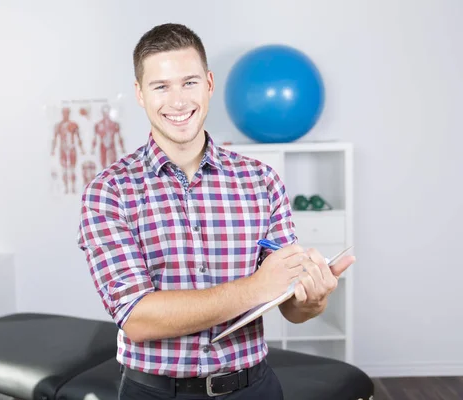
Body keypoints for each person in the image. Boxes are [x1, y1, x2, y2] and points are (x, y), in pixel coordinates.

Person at [77, 23, 355, 399]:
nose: (177, 101)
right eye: (161, 86)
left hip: (253, 387)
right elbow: (137, 319)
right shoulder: (109, 192)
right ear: (140, 94)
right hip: (155, 392)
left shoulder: (262, 181)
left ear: (209, 84)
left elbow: (290, 305)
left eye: (189, 82)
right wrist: (255, 287)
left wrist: (313, 297)